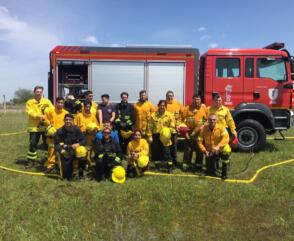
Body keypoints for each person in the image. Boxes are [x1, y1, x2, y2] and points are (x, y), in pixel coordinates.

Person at [25, 86, 54, 167]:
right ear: (34, 92)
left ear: (42, 92)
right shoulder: (29, 102)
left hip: (46, 127)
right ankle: (31, 161)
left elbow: (52, 110)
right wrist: (39, 116)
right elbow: (29, 112)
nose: (39, 93)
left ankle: (48, 160)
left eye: (40, 92)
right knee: (33, 144)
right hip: (34, 127)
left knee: (48, 144)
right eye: (37, 92)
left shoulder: (47, 101)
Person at [197, 113, 231, 179]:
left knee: (226, 150)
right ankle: (213, 166)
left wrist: (218, 146)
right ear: (208, 120)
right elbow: (199, 141)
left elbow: (226, 138)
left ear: (217, 120)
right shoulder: (204, 129)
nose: (212, 121)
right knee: (210, 172)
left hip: (221, 149)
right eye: (210, 120)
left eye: (214, 120)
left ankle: (224, 172)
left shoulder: (221, 127)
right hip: (210, 150)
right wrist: (204, 151)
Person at [54, 114, 87, 180]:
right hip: (65, 151)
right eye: (66, 120)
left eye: (70, 120)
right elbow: (56, 145)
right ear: (64, 120)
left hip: (75, 150)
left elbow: (84, 140)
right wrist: (61, 150)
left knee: (82, 153)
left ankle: (81, 173)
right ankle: (69, 172)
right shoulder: (59, 131)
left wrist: (78, 144)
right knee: (67, 177)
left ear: (72, 121)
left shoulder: (76, 129)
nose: (68, 121)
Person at [147, 100, 176, 173]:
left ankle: (169, 167)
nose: (162, 107)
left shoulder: (170, 115)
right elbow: (150, 126)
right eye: (161, 105)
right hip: (156, 135)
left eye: (163, 105)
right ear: (158, 105)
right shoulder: (153, 115)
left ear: (165, 106)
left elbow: (172, 126)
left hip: (166, 136)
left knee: (167, 152)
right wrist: (150, 136)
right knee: (156, 151)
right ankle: (157, 166)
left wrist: (167, 131)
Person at [181, 94, 207, 172]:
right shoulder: (187, 109)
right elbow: (182, 120)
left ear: (200, 100)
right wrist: (185, 130)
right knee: (188, 149)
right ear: (192, 100)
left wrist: (201, 127)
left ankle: (198, 167)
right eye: (195, 99)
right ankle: (186, 165)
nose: (196, 101)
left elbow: (207, 121)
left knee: (199, 149)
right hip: (189, 132)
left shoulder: (204, 109)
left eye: (198, 99)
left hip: (200, 132)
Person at [43, 97, 69, 172]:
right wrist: (49, 129)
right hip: (52, 135)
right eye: (59, 102)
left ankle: (58, 165)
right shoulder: (50, 111)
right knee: (51, 150)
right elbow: (45, 120)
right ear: (55, 103)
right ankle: (50, 165)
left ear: (63, 104)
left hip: (62, 135)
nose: (60, 104)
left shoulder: (66, 113)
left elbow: (68, 123)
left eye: (62, 103)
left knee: (62, 150)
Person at [165, 90, 184, 166]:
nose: (170, 97)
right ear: (166, 96)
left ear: (173, 96)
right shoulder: (164, 104)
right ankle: (167, 160)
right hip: (166, 129)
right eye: (168, 96)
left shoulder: (178, 104)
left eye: (171, 95)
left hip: (175, 129)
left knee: (174, 145)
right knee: (166, 145)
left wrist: (179, 124)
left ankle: (175, 160)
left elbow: (183, 114)